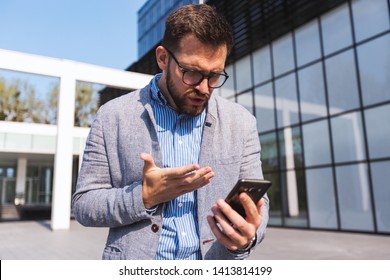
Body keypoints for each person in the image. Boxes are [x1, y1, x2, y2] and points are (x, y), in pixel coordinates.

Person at [72, 3, 269, 260]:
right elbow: (84, 205)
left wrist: (249, 237)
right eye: (191, 72)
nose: (204, 88)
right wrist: (144, 196)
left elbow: (259, 204)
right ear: (163, 58)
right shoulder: (112, 116)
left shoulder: (242, 123)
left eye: (214, 76)